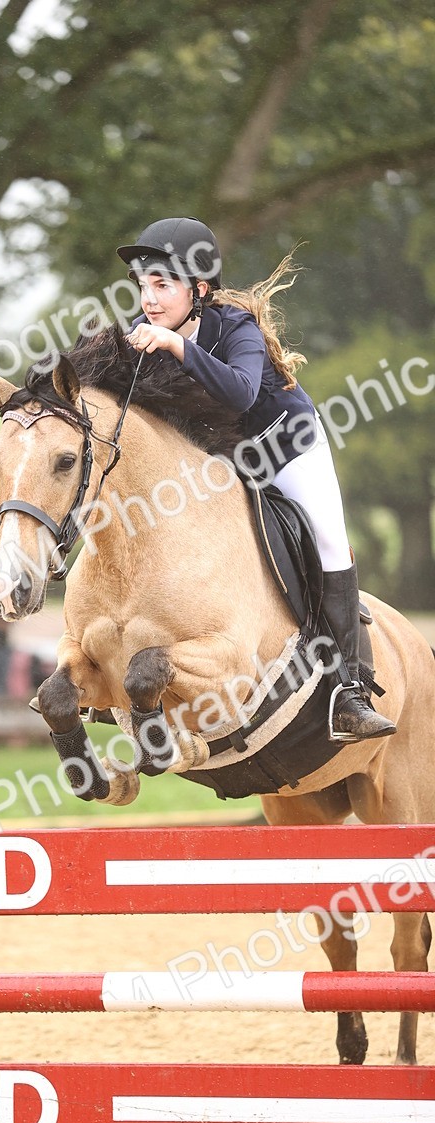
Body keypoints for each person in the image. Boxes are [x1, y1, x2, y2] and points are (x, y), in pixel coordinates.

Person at [116, 216, 395, 743]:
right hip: (227, 467)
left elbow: (242, 393)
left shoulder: (232, 326)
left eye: (162, 285)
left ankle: (350, 692)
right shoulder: (145, 334)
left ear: (198, 291)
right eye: (142, 286)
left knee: (331, 544)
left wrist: (176, 349)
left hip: (290, 451)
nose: (148, 299)